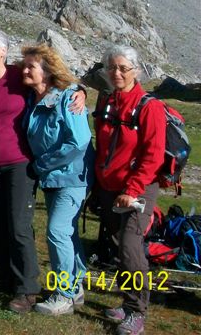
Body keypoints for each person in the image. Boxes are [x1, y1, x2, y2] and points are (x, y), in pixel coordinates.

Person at [0, 28, 85, 313]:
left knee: (19, 225)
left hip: (20, 164)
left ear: (2, 50)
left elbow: (55, 81)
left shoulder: (18, 75)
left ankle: (28, 288)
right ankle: (5, 279)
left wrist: (80, 91)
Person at [94, 45, 165, 335]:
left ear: (136, 71)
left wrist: (133, 189)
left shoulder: (150, 107)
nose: (117, 73)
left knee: (130, 246)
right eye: (112, 68)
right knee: (117, 246)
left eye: (123, 68)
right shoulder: (108, 100)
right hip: (109, 186)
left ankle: (137, 312)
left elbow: (153, 155)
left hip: (137, 188)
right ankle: (127, 300)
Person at [21, 44, 93, 316]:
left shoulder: (68, 97)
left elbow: (79, 141)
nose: (25, 70)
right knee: (67, 232)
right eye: (24, 65)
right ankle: (76, 287)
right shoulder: (34, 99)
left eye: (31, 66)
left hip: (71, 177)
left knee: (57, 231)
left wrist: (41, 164)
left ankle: (64, 293)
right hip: (53, 179)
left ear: (48, 72)